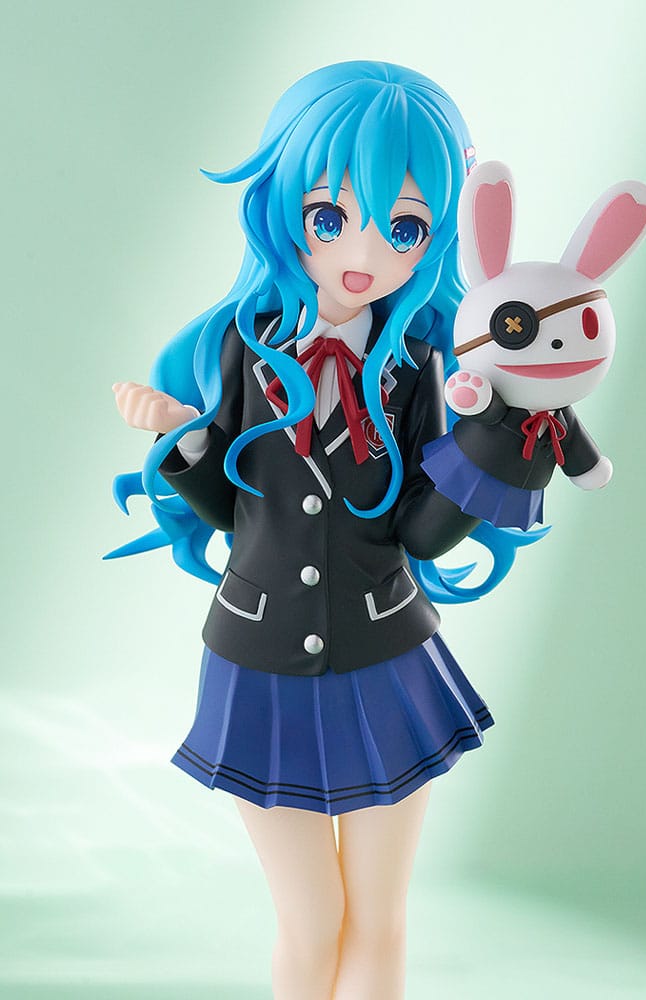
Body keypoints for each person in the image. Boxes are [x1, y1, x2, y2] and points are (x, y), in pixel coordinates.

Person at [110, 61, 536, 1000]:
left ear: (434, 237)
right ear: (284, 205)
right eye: (330, 215)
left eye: (404, 228)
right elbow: (235, 513)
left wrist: (503, 448)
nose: (365, 250)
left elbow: (422, 533)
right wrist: (182, 443)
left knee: (379, 919)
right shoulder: (241, 349)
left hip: (389, 655)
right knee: (310, 922)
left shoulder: (419, 365)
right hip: (258, 661)